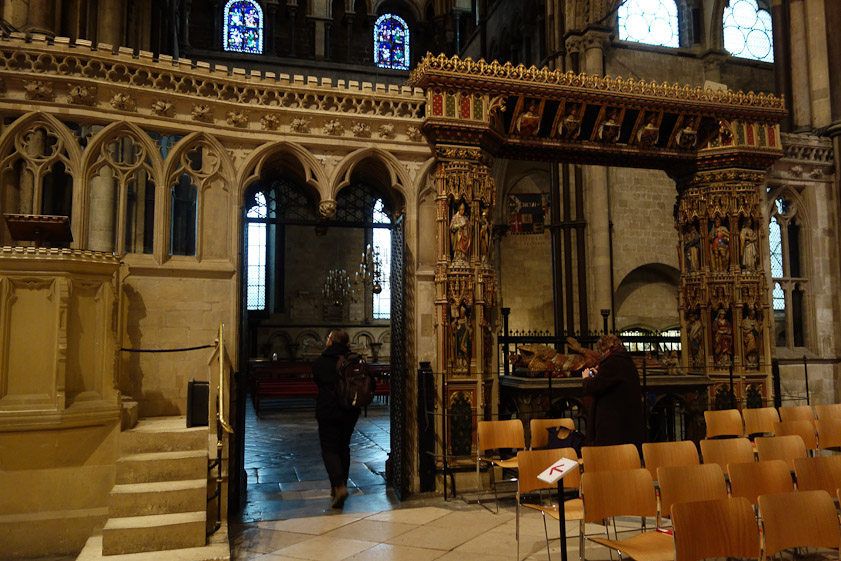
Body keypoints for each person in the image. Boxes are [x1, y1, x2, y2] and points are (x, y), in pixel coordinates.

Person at [312, 328, 358, 509]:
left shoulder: (321, 361)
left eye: (328, 337)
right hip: (350, 410)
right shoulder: (353, 360)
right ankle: (341, 485)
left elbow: (317, 380)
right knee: (343, 447)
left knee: (329, 448)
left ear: (331, 341)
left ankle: (338, 486)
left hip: (328, 410)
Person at [582, 334, 644, 448]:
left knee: (611, 455)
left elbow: (593, 387)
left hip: (613, 422)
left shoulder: (611, 361)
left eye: (601, 352)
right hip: (627, 421)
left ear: (605, 348)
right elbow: (610, 381)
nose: (601, 355)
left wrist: (586, 379)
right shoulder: (626, 360)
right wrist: (599, 375)